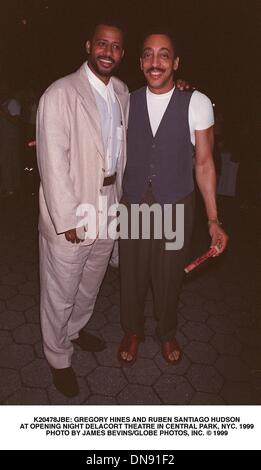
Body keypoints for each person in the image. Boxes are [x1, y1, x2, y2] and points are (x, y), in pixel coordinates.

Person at [118, 29, 229, 367]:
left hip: (176, 202)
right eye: (149, 54)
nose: (156, 61)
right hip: (134, 201)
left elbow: (205, 163)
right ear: (139, 62)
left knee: (169, 276)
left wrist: (213, 219)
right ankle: (132, 330)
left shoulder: (195, 101)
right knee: (132, 274)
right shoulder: (125, 100)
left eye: (164, 54)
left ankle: (167, 332)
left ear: (176, 62)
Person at [36, 20, 129, 397]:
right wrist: (68, 217)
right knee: (62, 284)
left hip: (109, 201)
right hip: (75, 204)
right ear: (89, 45)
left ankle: (74, 330)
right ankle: (58, 354)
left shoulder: (122, 93)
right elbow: (52, 160)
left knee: (92, 278)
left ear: (122, 53)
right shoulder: (60, 92)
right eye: (102, 44)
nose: (108, 52)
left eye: (117, 47)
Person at [0, 83, 22, 196]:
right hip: (4, 138)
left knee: (10, 162)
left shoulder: (13, 103)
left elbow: (17, 121)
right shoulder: (4, 103)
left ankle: (12, 188)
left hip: (11, 138)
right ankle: (7, 186)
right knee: (4, 162)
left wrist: (3, 113)